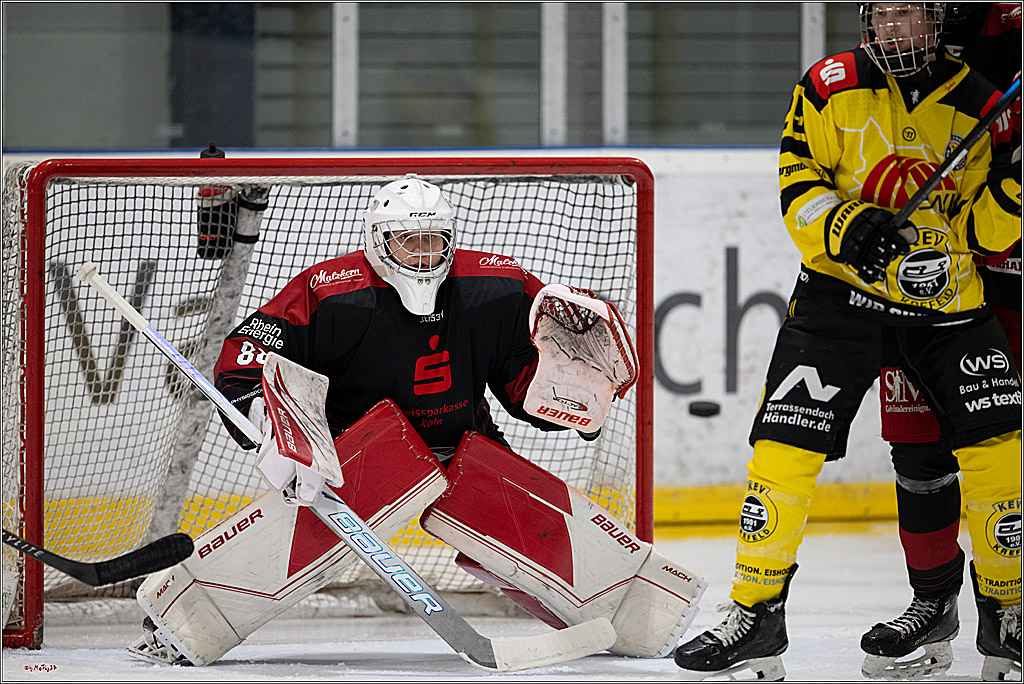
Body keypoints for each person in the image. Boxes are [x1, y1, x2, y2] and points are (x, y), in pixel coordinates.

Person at [125, 175, 706, 666]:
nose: (424, 257)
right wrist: (273, 428)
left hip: (463, 443)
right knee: (294, 539)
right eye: (410, 243)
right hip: (355, 456)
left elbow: (521, 382)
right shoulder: (333, 292)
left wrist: (575, 405)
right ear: (380, 243)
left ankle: (646, 610)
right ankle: (182, 620)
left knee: (540, 526)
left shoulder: (497, 287)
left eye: (435, 243)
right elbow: (251, 349)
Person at [674, 3, 1021, 681]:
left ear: (937, 21)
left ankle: (1007, 612)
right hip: (839, 300)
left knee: (998, 450)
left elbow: (984, 231)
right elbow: (798, 182)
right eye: (883, 16)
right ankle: (755, 615)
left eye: (910, 17)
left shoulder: (980, 101)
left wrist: (1014, 188)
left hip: (946, 301)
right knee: (782, 450)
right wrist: (847, 226)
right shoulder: (827, 85)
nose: (896, 30)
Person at [863, 2, 1022, 680]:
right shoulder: (917, 30)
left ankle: (1004, 610)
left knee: (999, 447)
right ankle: (933, 603)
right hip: (938, 275)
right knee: (919, 446)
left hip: (1008, 275)